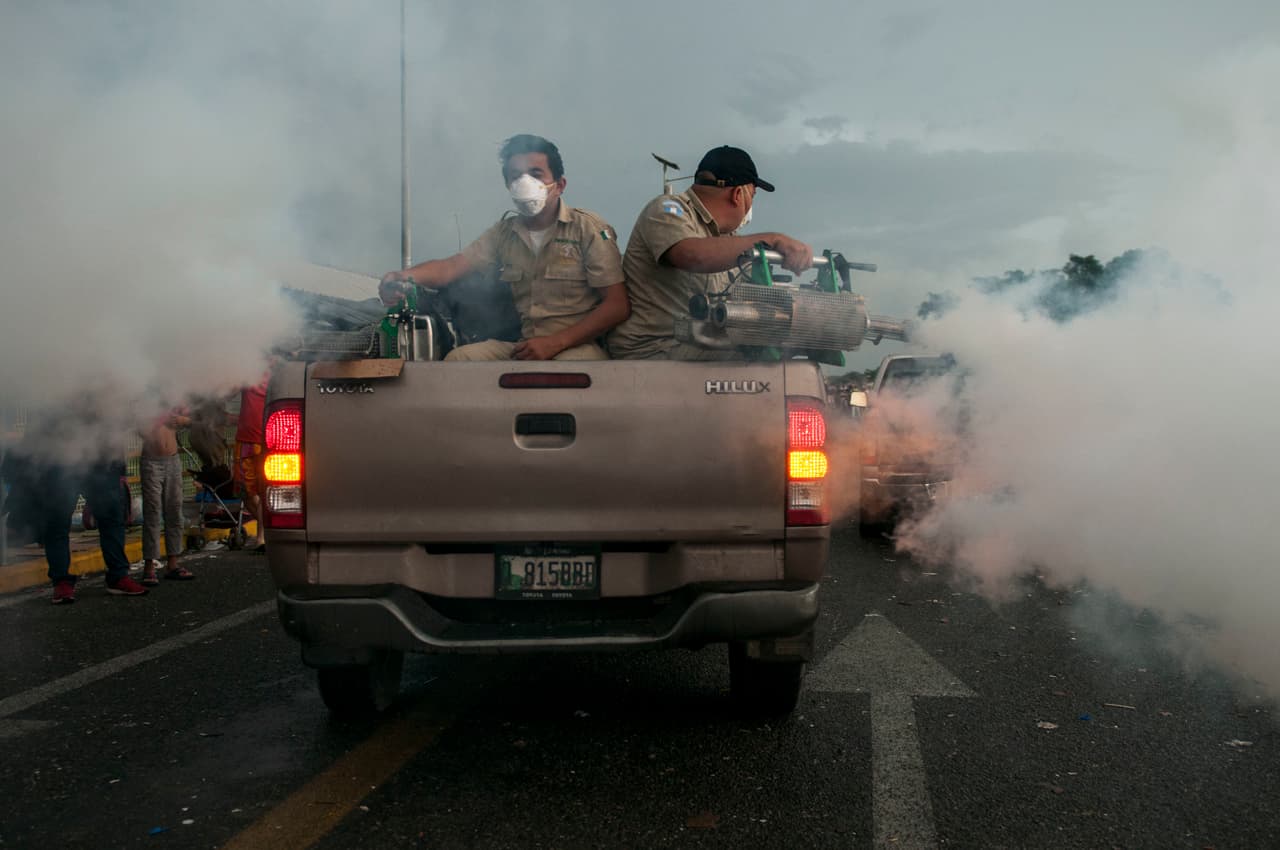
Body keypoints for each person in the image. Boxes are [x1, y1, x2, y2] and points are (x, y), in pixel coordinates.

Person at [380, 134, 630, 361]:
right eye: (516, 175)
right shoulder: (503, 233)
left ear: (560, 185)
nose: (525, 182)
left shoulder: (588, 229)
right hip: (526, 347)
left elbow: (617, 305)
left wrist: (555, 343)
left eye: (536, 173)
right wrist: (402, 277)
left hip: (579, 348)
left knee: (564, 370)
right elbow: (452, 266)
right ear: (508, 185)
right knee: (459, 361)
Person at [607, 145, 813, 360]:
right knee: (764, 370)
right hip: (653, 350)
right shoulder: (667, 210)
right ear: (738, 194)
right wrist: (771, 239)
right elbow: (691, 255)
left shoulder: (729, 242)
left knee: (776, 359)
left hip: (697, 347)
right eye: (753, 195)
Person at [138, 408, 195, 584]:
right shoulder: (143, 400)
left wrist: (183, 420)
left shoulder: (172, 396)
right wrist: (159, 419)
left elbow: (193, 418)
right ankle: (149, 566)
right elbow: (140, 429)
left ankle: (173, 563)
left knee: (174, 511)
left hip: (172, 459)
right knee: (152, 513)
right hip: (151, 460)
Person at [235, 373, 268, 552]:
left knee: (265, 490)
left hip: (267, 440)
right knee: (245, 492)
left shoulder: (277, 368)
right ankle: (268, 529)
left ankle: (261, 537)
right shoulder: (247, 366)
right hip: (245, 439)